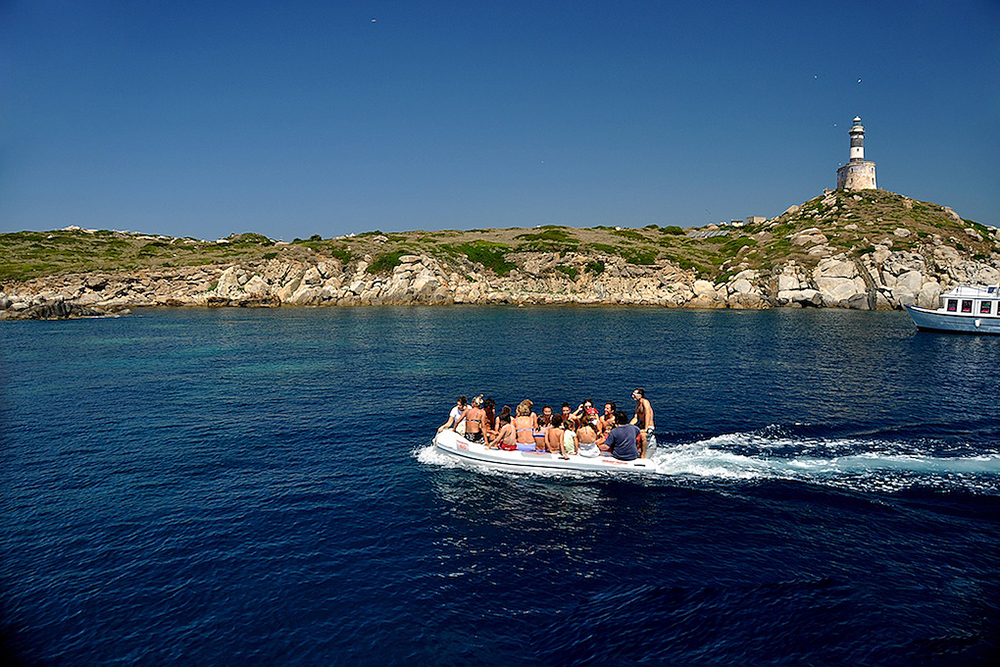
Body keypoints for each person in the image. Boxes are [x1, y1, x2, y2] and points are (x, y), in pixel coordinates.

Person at [630, 388, 654, 456]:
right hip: (641, 426)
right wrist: (628, 426)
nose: (633, 396)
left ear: (640, 395)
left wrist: (646, 428)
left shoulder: (645, 402)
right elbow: (636, 418)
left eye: (634, 395)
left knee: (642, 435)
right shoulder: (637, 406)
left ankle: (643, 455)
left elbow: (647, 414)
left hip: (648, 426)